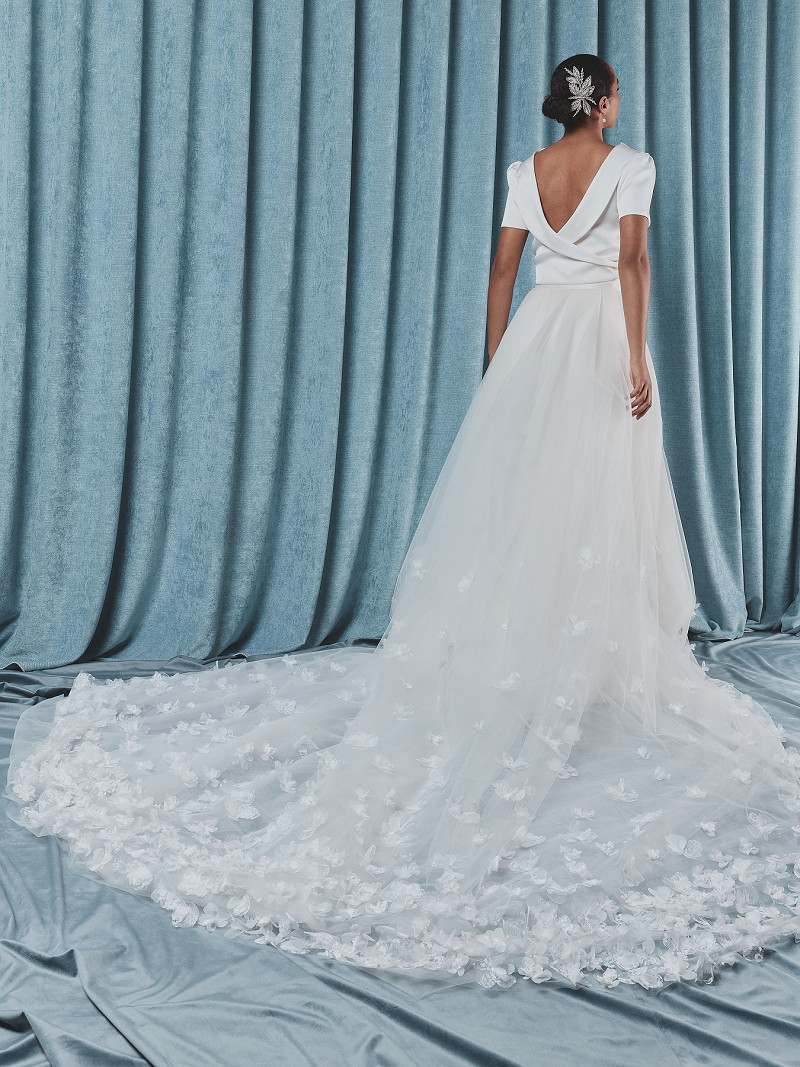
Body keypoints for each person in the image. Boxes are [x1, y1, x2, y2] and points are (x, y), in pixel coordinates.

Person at [6, 53, 800, 999]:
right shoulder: (631, 164)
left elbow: (502, 271)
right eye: (618, 90)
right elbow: (631, 262)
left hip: (537, 337)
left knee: (529, 504)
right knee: (598, 496)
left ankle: (547, 652)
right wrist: (637, 356)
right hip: (595, 338)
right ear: (606, 103)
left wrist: (500, 363)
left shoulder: (526, 171)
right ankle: (578, 653)